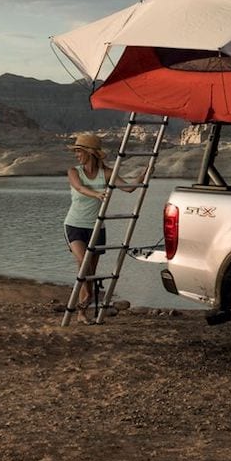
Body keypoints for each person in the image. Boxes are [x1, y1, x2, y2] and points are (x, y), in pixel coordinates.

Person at [64, 133, 145, 324]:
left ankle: (82, 312)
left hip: (97, 227)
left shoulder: (106, 173)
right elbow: (80, 188)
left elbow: (128, 188)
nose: (76, 155)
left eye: (79, 151)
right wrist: (97, 194)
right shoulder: (73, 171)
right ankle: (85, 303)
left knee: (89, 271)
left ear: (90, 153)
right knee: (84, 264)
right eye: (75, 151)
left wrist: (143, 175)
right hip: (74, 225)